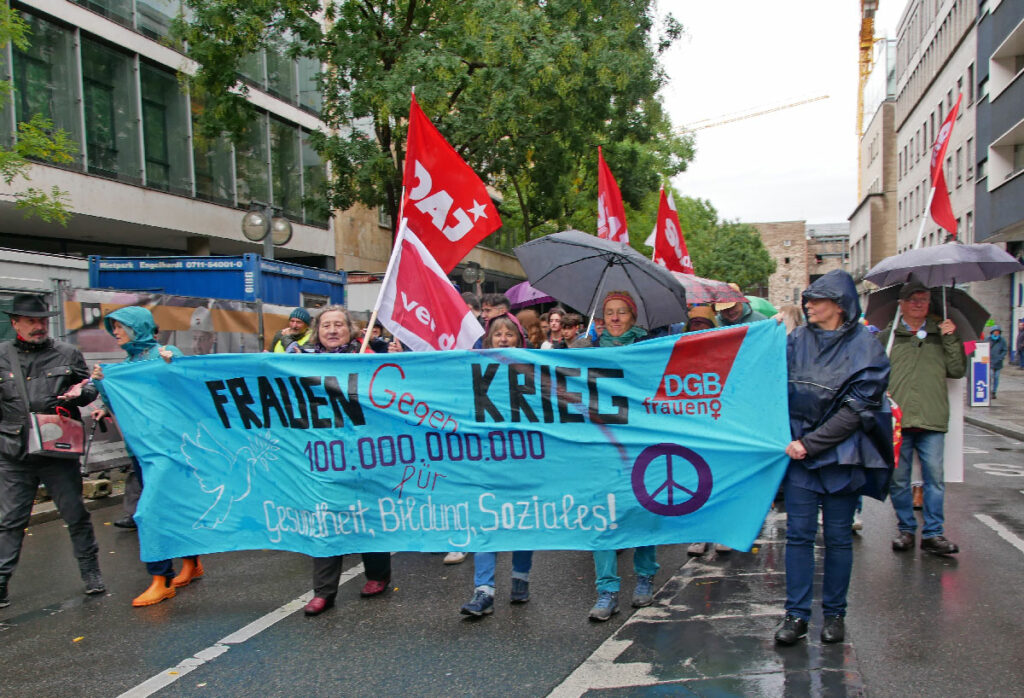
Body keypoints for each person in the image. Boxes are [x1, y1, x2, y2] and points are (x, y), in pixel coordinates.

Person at [774, 270, 891, 645]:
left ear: (839, 305)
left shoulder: (866, 345)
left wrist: (811, 443)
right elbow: (771, 383)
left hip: (842, 456)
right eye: (807, 299)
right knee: (798, 536)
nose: (808, 304)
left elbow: (858, 408)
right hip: (800, 456)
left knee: (839, 538)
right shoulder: (796, 340)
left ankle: (835, 615)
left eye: (816, 299)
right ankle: (795, 616)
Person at [91, 306, 202, 607]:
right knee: (172, 508)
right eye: (113, 327)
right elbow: (119, 402)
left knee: (151, 510)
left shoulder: (167, 353)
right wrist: (102, 382)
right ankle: (192, 563)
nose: (116, 333)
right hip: (140, 451)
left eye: (120, 327)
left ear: (138, 326)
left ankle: (161, 579)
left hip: (169, 450)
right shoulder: (126, 365)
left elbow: (189, 389)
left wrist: (174, 366)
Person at [0, 294, 105, 608]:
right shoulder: (2, 356)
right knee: (10, 521)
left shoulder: (68, 353)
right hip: (13, 452)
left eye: (43, 320)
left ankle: (91, 573)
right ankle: (1, 581)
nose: (39, 326)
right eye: (31, 321)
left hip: (56, 452)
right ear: (14, 323)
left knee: (75, 515)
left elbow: (88, 390)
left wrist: (80, 393)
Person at [295, 305, 393, 616]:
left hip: (363, 452)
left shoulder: (367, 357)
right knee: (325, 519)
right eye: (327, 325)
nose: (333, 330)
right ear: (317, 330)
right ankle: (324, 592)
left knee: (366, 515)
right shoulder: (297, 358)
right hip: (320, 454)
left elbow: (392, 390)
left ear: (350, 330)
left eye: (339, 325)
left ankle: (378, 574)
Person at [882, 280, 965, 556]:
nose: (919, 303)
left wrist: (951, 337)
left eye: (924, 299)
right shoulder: (888, 338)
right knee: (898, 480)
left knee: (935, 479)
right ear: (901, 304)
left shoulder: (941, 334)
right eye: (913, 299)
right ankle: (906, 529)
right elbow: (872, 372)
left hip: (931, 418)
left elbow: (956, 370)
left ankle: (933, 533)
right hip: (898, 420)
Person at [588, 291, 658, 621]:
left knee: (643, 511)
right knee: (601, 516)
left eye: (622, 312)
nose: (615, 318)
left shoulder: (648, 351)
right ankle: (607, 590)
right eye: (609, 313)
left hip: (639, 445)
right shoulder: (584, 355)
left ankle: (645, 577)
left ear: (633, 317)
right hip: (600, 448)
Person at [461, 313, 534, 617]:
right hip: (487, 457)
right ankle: (484, 590)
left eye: (509, 334)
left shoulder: (534, 368)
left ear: (520, 339)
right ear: (488, 339)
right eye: (497, 335)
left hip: (525, 457)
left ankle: (520, 578)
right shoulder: (472, 369)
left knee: (524, 519)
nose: (503, 339)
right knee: (484, 518)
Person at [987, 325, 1007, 398]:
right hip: (990, 362)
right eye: (995, 331)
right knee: (990, 375)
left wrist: (1000, 357)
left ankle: (994, 391)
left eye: (998, 332)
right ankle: (989, 390)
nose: (996, 333)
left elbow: (1004, 350)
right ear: (992, 332)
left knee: (996, 377)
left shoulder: (1002, 340)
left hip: (998, 363)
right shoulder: (988, 339)